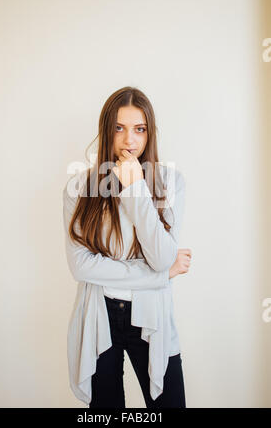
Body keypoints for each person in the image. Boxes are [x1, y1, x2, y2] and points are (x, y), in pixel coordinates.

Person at [62, 86, 192, 408]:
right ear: (106, 130)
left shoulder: (170, 182)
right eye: (119, 128)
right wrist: (159, 276)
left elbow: (161, 257)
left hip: (151, 317)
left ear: (150, 134)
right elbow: (81, 266)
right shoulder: (79, 187)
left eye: (139, 129)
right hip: (100, 314)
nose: (129, 140)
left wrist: (135, 188)